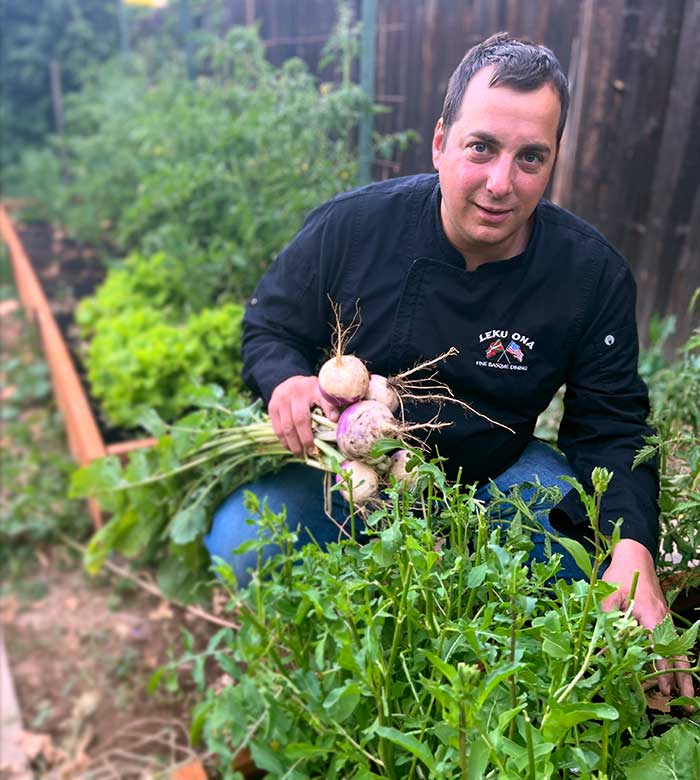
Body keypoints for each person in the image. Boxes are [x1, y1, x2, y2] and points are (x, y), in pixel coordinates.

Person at [205, 32, 692, 696]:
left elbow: (613, 426)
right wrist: (286, 378)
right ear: (439, 143)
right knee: (240, 543)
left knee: (587, 566)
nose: (501, 183)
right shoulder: (352, 227)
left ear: (552, 163)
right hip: (353, 483)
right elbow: (269, 325)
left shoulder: (588, 274)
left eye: (530, 158)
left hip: (492, 480)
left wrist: (635, 550)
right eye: (481, 148)